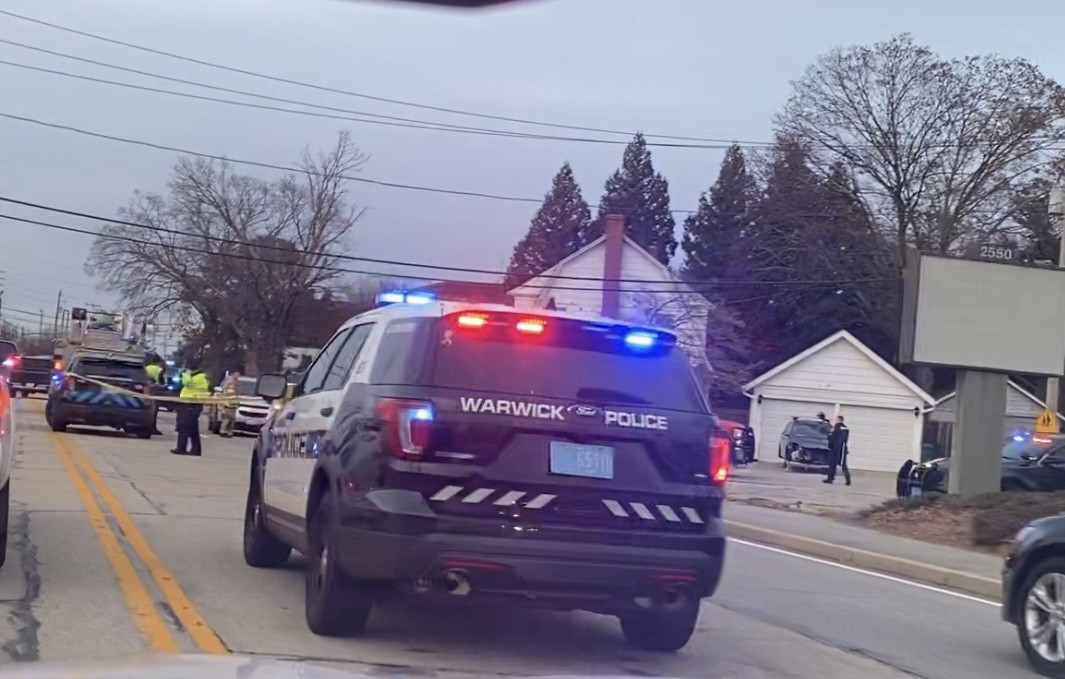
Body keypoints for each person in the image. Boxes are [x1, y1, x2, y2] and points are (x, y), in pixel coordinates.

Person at [172, 358, 210, 457]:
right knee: (192, 428)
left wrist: (186, 372)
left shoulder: (196, 377)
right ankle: (196, 449)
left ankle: (181, 448)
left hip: (191, 404)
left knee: (183, 426)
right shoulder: (200, 377)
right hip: (191, 403)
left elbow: (186, 382)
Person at [824, 415, 852, 485]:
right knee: (832, 464)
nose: (835, 420)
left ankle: (848, 479)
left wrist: (831, 434)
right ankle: (830, 478)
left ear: (840, 420)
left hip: (839, 449)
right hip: (836, 448)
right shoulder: (839, 428)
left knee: (842, 464)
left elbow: (836, 439)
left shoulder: (841, 428)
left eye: (836, 419)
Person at [219, 372, 240, 438]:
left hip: (229, 404)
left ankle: (225, 431)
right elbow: (234, 395)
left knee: (228, 419)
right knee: (229, 418)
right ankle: (226, 432)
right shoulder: (233, 383)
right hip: (230, 404)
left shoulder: (230, 383)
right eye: (237, 375)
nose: (238, 376)